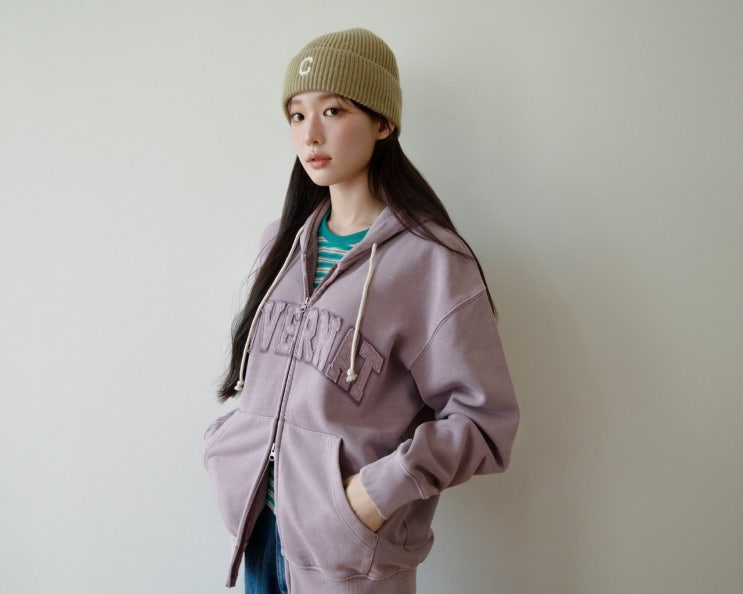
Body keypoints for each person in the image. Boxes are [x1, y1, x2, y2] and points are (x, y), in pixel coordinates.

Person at [204, 28, 519, 594]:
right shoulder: (280, 244)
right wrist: (226, 446)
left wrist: (372, 496)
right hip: (261, 534)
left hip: (349, 556)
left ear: (383, 123)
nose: (311, 134)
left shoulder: (431, 261)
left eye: (333, 110)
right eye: (297, 115)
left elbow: (483, 421)